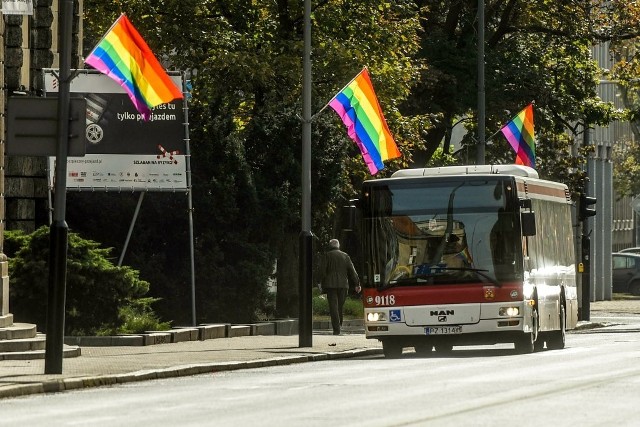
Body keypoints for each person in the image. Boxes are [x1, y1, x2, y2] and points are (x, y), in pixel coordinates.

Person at [317, 238, 361, 335]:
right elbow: (352, 271)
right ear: (338, 246)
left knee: (334, 307)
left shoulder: (327, 255)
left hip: (330, 285)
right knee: (339, 306)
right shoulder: (345, 256)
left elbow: (322, 271)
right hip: (343, 285)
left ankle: (336, 329)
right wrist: (357, 284)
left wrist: (319, 282)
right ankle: (339, 325)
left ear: (330, 246)